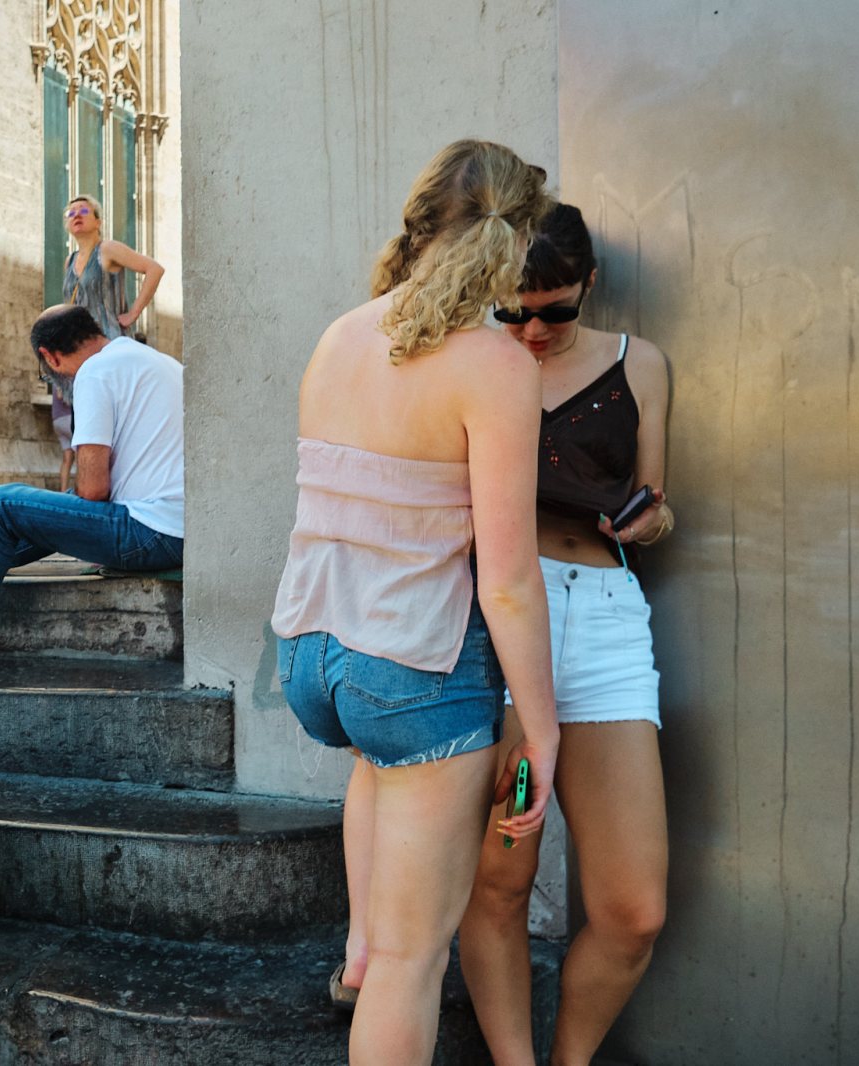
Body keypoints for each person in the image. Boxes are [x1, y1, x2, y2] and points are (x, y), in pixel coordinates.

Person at [269, 140, 560, 1065]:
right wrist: (542, 731)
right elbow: (508, 581)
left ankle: (359, 947)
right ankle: (379, 956)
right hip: (411, 668)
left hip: (313, 654)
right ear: (512, 244)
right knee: (414, 957)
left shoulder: (340, 334)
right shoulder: (494, 364)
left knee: (381, 771)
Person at [457, 203, 672, 1066]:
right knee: (504, 878)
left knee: (632, 910)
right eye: (513, 310)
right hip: (515, 627)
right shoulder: (472, 363)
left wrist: (647, 523)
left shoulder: (640, 366)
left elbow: (658, 504)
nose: (533, 329)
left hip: (611, 627)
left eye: (554, 309)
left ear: (588, 286)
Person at [0, 305, 184, 664]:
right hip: (181, 528)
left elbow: (93, 491)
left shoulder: (94, 373)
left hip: (151, 535)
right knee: (39, 510)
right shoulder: (160, 362)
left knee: (0, 505)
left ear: (49, 357)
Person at [53, 194, 166, 490]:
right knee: (86, 426)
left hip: (109, 347)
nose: (76, 215)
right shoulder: (69, 261)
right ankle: (88, 491)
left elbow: (154, 269)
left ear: (98, 220)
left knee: (116, 423)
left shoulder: (108, 250)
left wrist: (134, 313)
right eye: (71, 212)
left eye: (84, 210)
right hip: (79, 355)